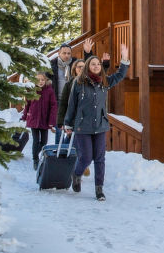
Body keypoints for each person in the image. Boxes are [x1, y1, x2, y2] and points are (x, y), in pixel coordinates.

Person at [63, 44, 129, 201]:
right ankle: (76, 174)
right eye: (93, 64)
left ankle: (99, 190)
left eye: (98, 64)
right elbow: (72, 105)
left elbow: (120, 75)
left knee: (100, 158)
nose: (96, 66)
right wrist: (68, 124)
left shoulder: (104, 82)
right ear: (87, 67)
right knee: (86, 158)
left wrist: (125, 59)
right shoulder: (78, 83)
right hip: (82, 126)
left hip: (100, 125)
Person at [50, 36, 93, 142]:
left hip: (74, 100)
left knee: (72, 130)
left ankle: (70, 151)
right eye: (64, 53)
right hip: (59, 100)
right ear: (59, 53)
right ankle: (59, 154)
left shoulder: (75, 65)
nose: (66, 55)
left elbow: (87, 67)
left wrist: (88, 53)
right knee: (59, 129)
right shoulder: (52, 66)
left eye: (68, 53)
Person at [21, 71, 57, 171]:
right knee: (36, 141)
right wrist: (25, 116)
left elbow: (53, 106)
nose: (40, 82)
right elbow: (27, 104)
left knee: (44, 141)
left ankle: (36, 154)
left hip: (45, 120)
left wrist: (51, 121)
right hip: (33, 118)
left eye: (42, 80)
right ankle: (35, 159)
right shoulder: (31, 90)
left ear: (46, 80)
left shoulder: (49, 90)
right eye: (38, 80)